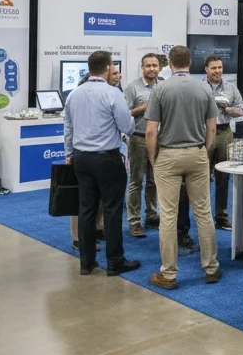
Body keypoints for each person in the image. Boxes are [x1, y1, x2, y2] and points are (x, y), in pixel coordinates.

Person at [146, 45, 221, 290]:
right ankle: (211, 267)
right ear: (190, 63)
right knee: (203, 212)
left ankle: (168, 274)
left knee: (168, 216)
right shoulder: (204, 88)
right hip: (196, 154)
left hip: (168, 155)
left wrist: (153, 158)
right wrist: (203, 151)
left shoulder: (160, 89)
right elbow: (212, 127)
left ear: (170, 64)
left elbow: (151, 130)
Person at [62, 50, 140, 277]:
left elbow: (68, 128)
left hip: (81, 158)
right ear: (107, 68)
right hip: (107, 158)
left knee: (86, 209)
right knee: (112, 209)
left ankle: (86, 262)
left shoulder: (74, 94)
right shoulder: (113, 93)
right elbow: (127, 127)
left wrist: (69, 153)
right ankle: (115, 261)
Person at [123, 54, 162, 238]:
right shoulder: (132, 88)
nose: (152, 69)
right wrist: (145, 107)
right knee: (136, 182)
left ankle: (152, 215)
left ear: (159, 68)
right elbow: (125, 114)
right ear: (142, 67)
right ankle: (134, 221)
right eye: (148, 66)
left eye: (155, 65)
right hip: (138, 139)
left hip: (159, 140)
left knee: (154, 181)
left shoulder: (164, 86)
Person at [204, 54, 243, 229]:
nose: (217, 71)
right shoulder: (200, 88)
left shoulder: (230, 88)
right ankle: (204, 216)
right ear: (206, 69)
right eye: (214, 68)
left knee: (223, 176)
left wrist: (227, 109)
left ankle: (221, 215)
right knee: (202, 176)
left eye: (220, 67)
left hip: (225, 132)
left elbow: (241, 110)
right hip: (204, 132)